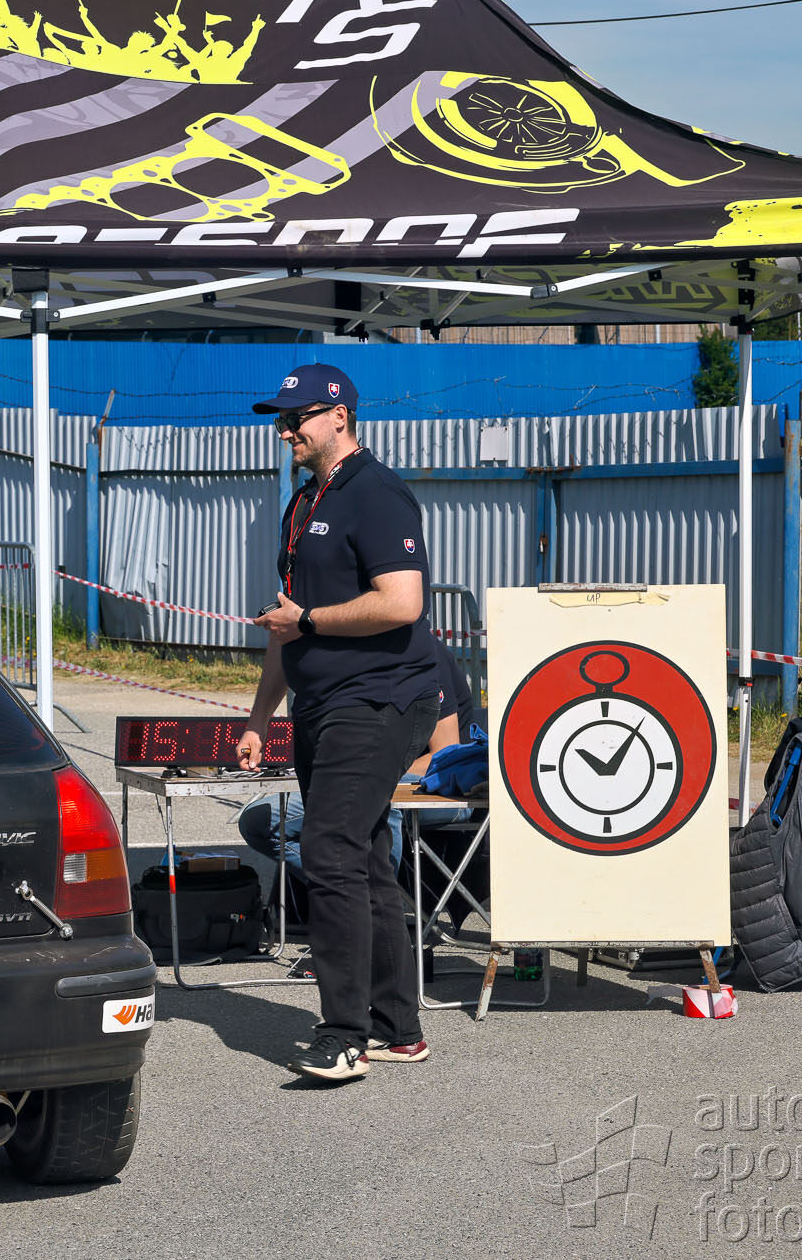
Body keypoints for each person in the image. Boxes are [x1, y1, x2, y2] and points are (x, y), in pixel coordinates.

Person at [237, 364, 440, 1083]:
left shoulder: (377, 493)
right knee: (362, 860)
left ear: (339, 417)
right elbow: (285, 624)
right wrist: (259, 718)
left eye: (295, 418)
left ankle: (343, 1034)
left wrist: (312, 620)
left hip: (381, 698)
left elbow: (403, 602)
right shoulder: (302, 503)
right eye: (280, 418)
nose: (284, 430)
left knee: (327, 851)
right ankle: (398, 1030)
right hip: (321, 703)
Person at [237, 639, 482, 912]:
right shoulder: (343, 657)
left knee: (376, 800)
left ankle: (378, 912)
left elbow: (444, 755)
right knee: (258, 820)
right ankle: (352, 899)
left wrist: (365, 772)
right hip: (361, 781)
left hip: (440, 790)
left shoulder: (420, 652)